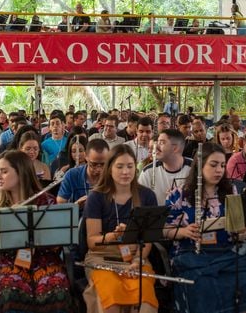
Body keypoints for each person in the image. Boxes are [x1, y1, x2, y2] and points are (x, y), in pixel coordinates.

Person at [164, 143, 246, 313]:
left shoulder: (232, 190)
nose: (219, 170)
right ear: (200, 165)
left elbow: (241, 231)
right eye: (213, 165)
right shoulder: (178, 193)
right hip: (190, 253)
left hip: (226, 252)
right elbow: (164, 230)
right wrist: (183, 232)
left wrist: (242, 232)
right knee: (202, 284)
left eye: (222, 165)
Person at [0, 151, 72, 313]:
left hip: (45, 260)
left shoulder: (46, 201)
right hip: (9, 263)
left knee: (56, 291)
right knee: (11, 294)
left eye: (4, 171)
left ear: (21, 173)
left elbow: (58, 244)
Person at [83, 144, 159, 313]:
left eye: (130, 166)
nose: (126, 172)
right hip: (103, 258)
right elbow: (92, 242)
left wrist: (138, 260)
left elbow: (148, 239)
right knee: (110, 300)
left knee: (146, 302)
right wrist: (113, 236)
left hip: (136, 258)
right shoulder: (96, 197)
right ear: (110, 168)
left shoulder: (147, 196)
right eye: (120, 166)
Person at [138, 129, 192, 205]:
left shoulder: (194, 168)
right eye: (158, 142)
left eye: (162, 142)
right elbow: (140, 203)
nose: (156, 146)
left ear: (175, 148)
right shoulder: (148, 172)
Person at [57, 138, 109, 207]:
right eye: (93, 164)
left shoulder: (113, 176)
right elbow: (60, 203)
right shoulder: (72, 175)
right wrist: (76, 205)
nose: (98, 169)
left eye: (103, 164)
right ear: (86, 156)